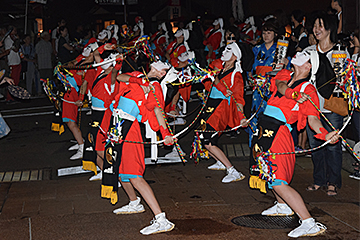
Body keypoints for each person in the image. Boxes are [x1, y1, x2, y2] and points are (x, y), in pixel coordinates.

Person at [250, 50, 339, 238]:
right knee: (267, 173)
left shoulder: (309, 90)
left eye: (305, 55)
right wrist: (293, 94)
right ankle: (282, 205)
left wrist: (325, 134)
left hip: (279, 134)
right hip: (265, 130)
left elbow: (313, 119)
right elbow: (280, 85)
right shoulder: (287, 76)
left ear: (309, 66)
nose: (298, 53)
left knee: (278, 181)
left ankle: (309, 222)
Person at [109, 61, 175, 235]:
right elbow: (119, 77)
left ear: (161, 74)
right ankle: (134, 202)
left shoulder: (155, 87)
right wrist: (138, 81)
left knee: (135, 175)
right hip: (117, 125)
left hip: (130, 129)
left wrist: (165, 133)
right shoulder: (138, 75)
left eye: (163, 69)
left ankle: (161, 219)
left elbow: (157, 111)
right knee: (121, 170)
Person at [304, 12, 348, 196]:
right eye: (315, 25)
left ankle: (333, 182)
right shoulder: (308, 52)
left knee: (332, 145)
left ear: (329, 28)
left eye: (320, 25)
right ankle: (319, 180)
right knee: (315, 145)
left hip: (331, 107)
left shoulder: (340, 52)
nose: (316, 29)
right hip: (311, 106)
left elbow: (346, 80)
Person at [199, 42, 247, 183]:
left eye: (229, 50)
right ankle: (220, 161)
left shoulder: (236, 76)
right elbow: (212, 77)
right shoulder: (221, 68)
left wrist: (242, 117)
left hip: (220, 109)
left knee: (208, 141)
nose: (224, 52)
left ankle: (232, 170)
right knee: (203, 137)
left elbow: (239, 99)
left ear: (235, 57)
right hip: (211, 106)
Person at [4, 26, 21, 103]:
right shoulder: (8, 39)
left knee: (16, 81)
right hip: (12, 62)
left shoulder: (13, 38)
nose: (15, 31)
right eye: (14, 30)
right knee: (12, 81)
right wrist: (17, 40)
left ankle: (14, 97)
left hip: (17, 61)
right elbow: (15, 48)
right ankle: (9, 97)